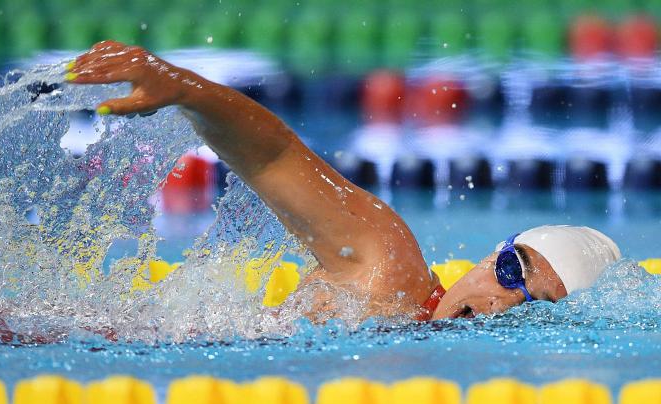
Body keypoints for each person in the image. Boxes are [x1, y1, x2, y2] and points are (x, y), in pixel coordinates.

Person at [67, 42, 622, 321]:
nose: (502, 301)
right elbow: (277, 155)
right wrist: (181, 85)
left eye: (534, 308)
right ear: (488, 258)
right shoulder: (389, 270)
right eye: (511, 270)